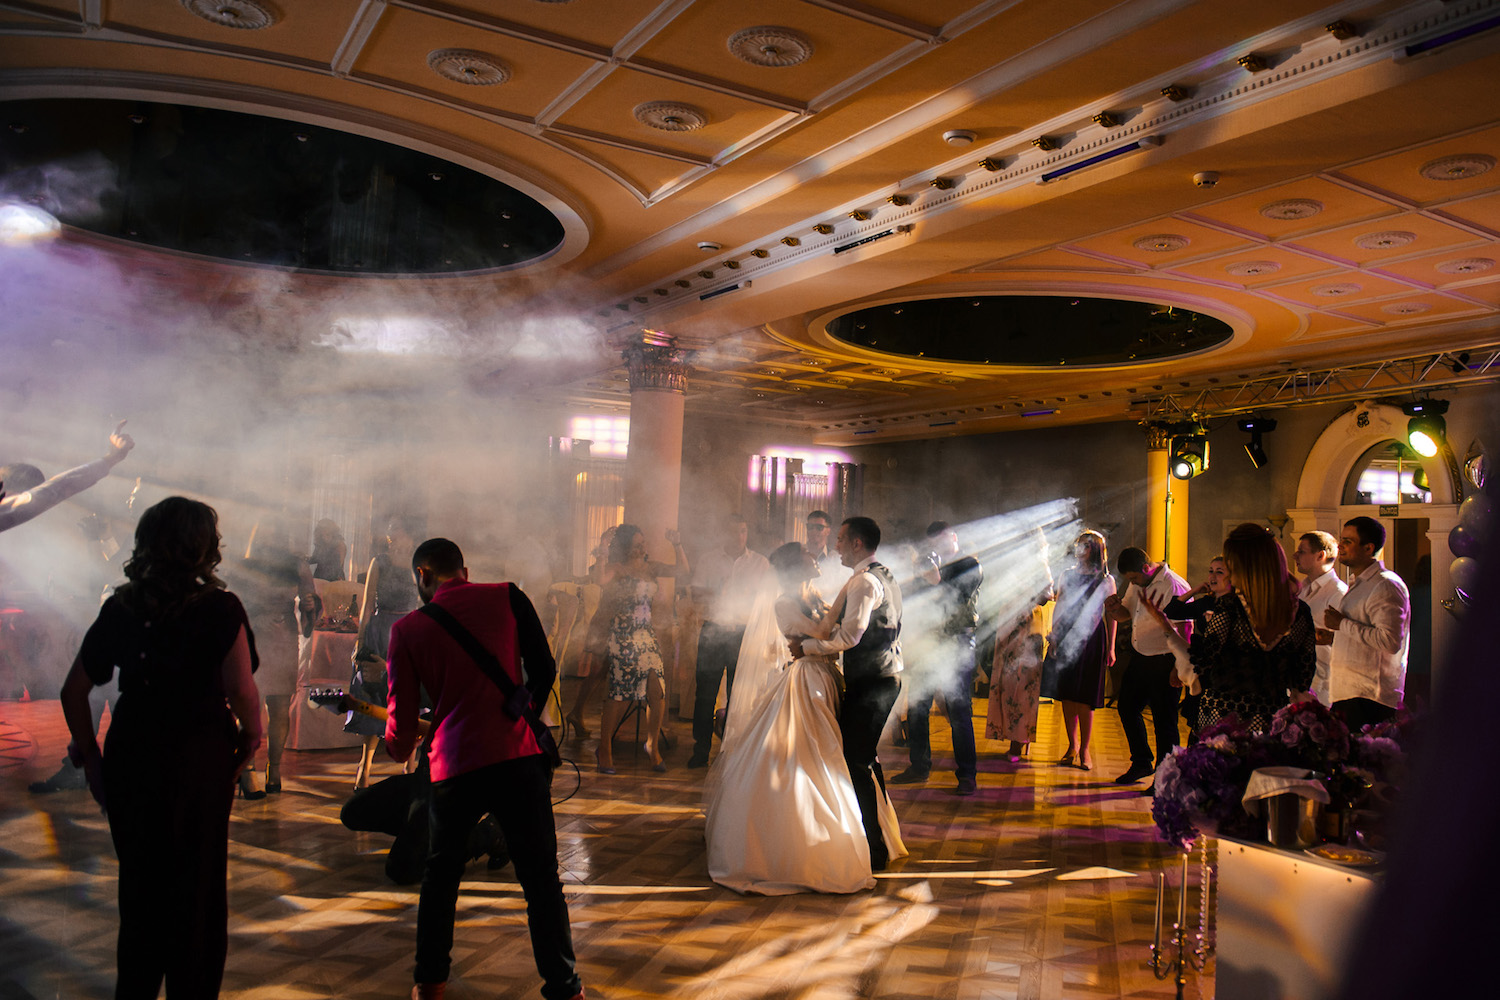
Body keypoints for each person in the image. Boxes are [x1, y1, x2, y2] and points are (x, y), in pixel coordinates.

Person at [59, 496, 262, 999]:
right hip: (198, 757)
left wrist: (91, 758)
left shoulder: (122, 607)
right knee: (197, 894)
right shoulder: (221, 608)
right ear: (204, 547)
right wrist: (251, 736)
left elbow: (74, 690)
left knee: (142, 893)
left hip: (134, 754)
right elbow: (241, 688)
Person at [384, 537, 582, 1000]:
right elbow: (545, 667)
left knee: (440, 878)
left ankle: (430, 984)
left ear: (422, 576)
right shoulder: (509, 596)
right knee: (540, 880)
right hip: (518, 758)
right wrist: (522, 709)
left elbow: (401, 731)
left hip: (455, 767)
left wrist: (398, 745)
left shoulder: (407, 630)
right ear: (465, 571)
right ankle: (565, 988)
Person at [704, 542, 905, 893]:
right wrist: (847, 590)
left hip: (828, 677)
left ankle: (868, 835)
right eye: (807, 556)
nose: (815, 558)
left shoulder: (812, 595)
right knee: (816, 751)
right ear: (796, 566)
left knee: (844, 751)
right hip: (807, 680)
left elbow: (837, 631)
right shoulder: (784, 602)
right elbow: (826, 632)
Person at [790, 516, 902, 871]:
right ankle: (880, 836)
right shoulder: (882, 574)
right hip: (879, 677)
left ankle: (874, 848)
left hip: (874, 680)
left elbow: (852, 637)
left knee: (856, 761)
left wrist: (807, 648)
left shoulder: (865, 581)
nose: (835, 546)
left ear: (857, 543)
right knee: (864, 758)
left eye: (840, 539)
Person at [1192, 524, 1317, 733]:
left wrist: (1171, 635)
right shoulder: (1300, 611)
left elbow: (1202, 662)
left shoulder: (1230, 606)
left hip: (1224, 718)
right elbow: (1303, 675)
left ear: (1245, 567)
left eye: (1231, 563)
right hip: (1272, 718)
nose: (1228, 572)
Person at [891, 521, 983, 795]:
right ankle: (919, 766)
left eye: (942, 540)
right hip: (929, 641)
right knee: (918, 706)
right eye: (933, 543)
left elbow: (958, 597)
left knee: (959, 710)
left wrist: (935, 579)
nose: (938, 547)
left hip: (957, 643)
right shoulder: (929, 565)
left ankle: (967, 775)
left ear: (953, 537)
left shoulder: (969, 564)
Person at [588, 524, 689, 773]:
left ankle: (652, 745)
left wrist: (677, 544)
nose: (642, 548)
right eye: (637, 545)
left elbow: (683, 572)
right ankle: (604, 749)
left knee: (657, 691)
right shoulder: (617, 568)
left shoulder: (650, 567)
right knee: (618, 694)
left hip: (646, 635)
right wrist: (602, 551)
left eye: (643, 543)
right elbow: (598, 580)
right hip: (622, 635)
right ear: (626, 547)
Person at [238, 524, 318, 794]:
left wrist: (309, 605)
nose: (272, 536)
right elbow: (236, 603)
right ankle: (247, 768)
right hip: (253, 638)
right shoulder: (247, 564)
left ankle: (274, 768)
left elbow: (310, 599)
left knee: (281, 706)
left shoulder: (297, 566)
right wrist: (255, 618)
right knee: (251, 704)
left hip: (283, 638)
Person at [688, 513, 771, 768]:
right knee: (705, 694)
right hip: (714, 630)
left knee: (740, 695)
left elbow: (768, 599)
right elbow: (695, 594)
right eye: (733, 532)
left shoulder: (760, 563)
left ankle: (732, 751)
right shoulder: (709, 559)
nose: (738, 537)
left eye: (743, 531)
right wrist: (717, 590)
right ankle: (701, 749)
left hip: (743, 633)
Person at [1105, 546, 1192, 784]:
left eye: (1134, 577)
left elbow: (1186, 627)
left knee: (1164, 722)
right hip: (1141, 656)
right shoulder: (1137, 584)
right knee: (1127, 708)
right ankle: (1142, 762)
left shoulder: (1174, 585)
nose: (1132, 583)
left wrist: (1179, 666)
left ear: (1146, 568)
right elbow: (1126, 614)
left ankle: (1165, 778)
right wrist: (1114, 609)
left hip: (1166, 659)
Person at [350, 514, 421, 788]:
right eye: (390, 531)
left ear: (409, 534)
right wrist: (361, 639)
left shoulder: (418, 561)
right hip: (381, 631)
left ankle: (410, 765)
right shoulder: (379, 561)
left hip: (409, 630)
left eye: (397, 530)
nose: (391, 535)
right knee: (373, 696)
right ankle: (364, 767)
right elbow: (368, 603)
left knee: (411, 698)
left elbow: (424, 600)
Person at [1038, 531, 1116, 770]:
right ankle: (1072, 746)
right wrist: (1054, 635)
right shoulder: (1067, 575)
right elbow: (1060, 605)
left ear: (1095, 550)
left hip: (1091, 638)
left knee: (1085, 697)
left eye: (1086, 545)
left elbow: (1112, 614)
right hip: (1065, 636)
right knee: (1068, 694)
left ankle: (1085, 750)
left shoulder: (1105, 580)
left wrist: (1112, 647)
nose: (1080, 548)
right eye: (1079, 544)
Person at [1323, 516, 1410, 730]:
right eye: (1341, 539)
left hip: (1369, 697)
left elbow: (1389, 641)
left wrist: (1342, 624)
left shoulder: (1385, 585)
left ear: (1368, 548)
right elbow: (1365, 637)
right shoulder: (1359, 584)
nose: (1340, 546)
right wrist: (1335, 636)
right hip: (1349, 694)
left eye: (1348, 541)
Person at [985, 528, 1055, 762]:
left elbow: (1048, 595)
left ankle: (1019, 741)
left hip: (1027, 624)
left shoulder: (1040, 565)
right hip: (1008, 622)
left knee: (1023, 684)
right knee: (1006, 682)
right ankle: (1013, 737)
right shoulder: (1009, 565)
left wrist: (1026, 597)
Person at [0, 420, 134, 532]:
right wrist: (112, 458)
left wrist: (112, 458)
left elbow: (55, 488)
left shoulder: (12, 509)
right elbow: (55, 489)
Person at [562, 525, 618, 739]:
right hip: (605, 621)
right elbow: (597, 578)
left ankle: (577, 713)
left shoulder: (622, 564)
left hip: (612, 620)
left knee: (600, 671)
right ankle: (578, 713)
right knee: (598, 670)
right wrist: (603, 546)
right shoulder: (610, 565)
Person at [1293, 530, 1347, 707]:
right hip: (1299, 680)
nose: (1295, 555)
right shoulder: (1302, 589)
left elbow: (1341, 641)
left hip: (1321, 685)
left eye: (1302, 551)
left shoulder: (1337, 593)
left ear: (1320, 556)